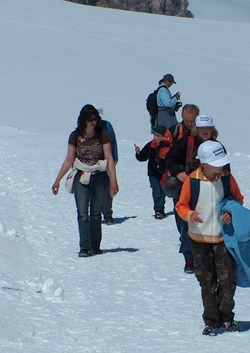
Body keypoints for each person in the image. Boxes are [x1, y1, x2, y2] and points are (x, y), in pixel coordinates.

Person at [175, 140, 244, 336]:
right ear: (203, 163)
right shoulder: (192, 181)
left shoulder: (227, 178)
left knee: (227, 279)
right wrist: (190, 215)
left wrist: (231, 213)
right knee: (207, 282)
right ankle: (211, 321)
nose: (220, 166)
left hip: (224, 238)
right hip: (198, 240)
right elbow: (181, 205)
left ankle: (227, 317)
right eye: (216, 163)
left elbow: (238, 199)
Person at [52, 104, 118, 257]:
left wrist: (113, 181)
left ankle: (95, 245)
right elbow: (69, 159)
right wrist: (58, 180)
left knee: (95, 212)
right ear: (83, 120)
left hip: (99, 176)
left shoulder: (103, 134)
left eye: (95, 119)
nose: (93, 122)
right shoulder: (75, 136)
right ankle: (85, 247)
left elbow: (109, 158)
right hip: (81, 176)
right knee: (82, 213)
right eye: (90, 120)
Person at [166, 114, 219, 274]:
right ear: (196, 129)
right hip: (190, 190)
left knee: (211, 223)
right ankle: (189, 259)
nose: (205, 131)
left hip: (212, 190)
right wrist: (180, 174)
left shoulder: (217, 146)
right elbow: (171, 158)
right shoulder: (186, 142)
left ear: (212, 129)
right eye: (202, 128)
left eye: (207, 128)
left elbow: (226, 168)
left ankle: (209, 257)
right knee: (187, 223)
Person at [134, 125, 171, 219]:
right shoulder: (151, 145)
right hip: (153, 174)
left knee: (163, 192)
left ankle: (161, 208)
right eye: (154, 135)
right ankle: (158, 210)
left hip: (165, 173)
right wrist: (138, 152)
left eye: (158, 135)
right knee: (157, 192)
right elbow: (142, 157)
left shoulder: (168, 146)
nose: (155, 137)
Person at [94, 105, 119, 225]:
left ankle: (108, 214)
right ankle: (95, 214)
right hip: (92, 163)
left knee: (108, 188)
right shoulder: (88, 127)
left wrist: (115, 158)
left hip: (107, 161)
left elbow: (113, 142)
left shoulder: (107, 125)